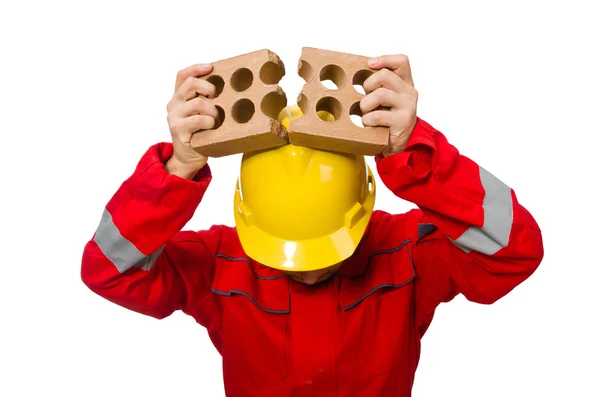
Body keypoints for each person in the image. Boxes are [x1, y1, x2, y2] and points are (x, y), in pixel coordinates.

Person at [81, 54, 544, 396]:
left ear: (364, 212)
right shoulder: (219, 265)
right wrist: (178, 169)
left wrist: (416, 153)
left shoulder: (408, 253)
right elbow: (107, 269)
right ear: (245, 219)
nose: (306, 270)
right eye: (284, 250)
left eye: (328, 251)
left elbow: (515, 251)